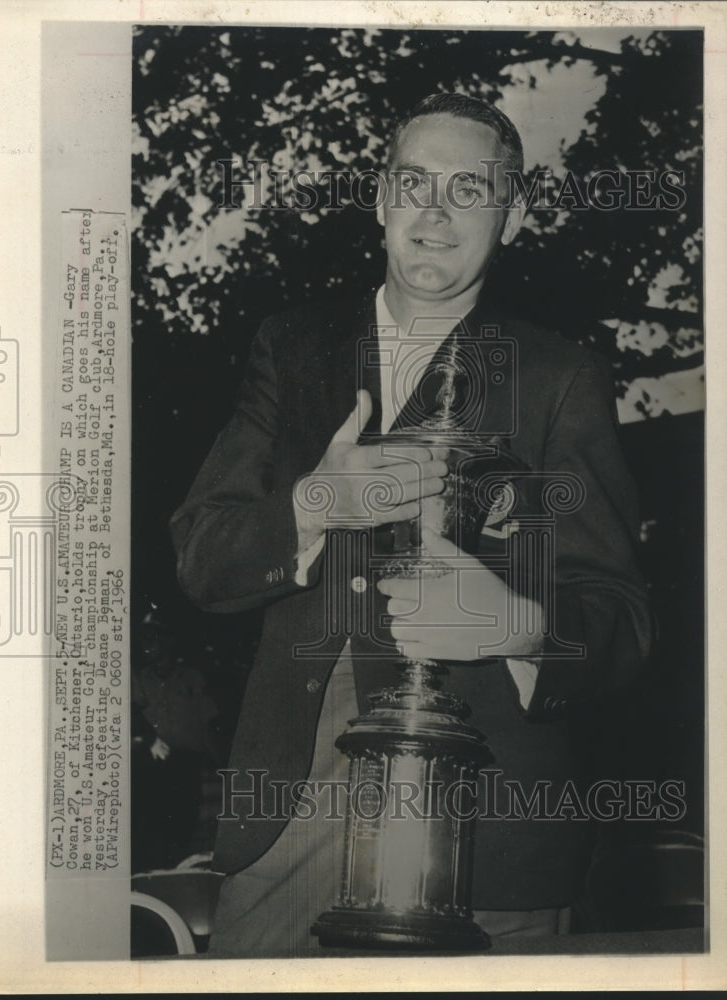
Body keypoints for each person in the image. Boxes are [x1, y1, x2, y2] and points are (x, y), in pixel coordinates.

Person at [169, 93, 651, 956]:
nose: (435, 212)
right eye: (414, 183)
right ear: (383, 199)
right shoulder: (292, 345)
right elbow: (203, 561)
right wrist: (316, 505)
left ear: (514, 214)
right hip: (293, 810)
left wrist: (520, 625)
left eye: (470, 189)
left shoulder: (561, 376)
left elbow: (622, 622)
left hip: (493, 837)